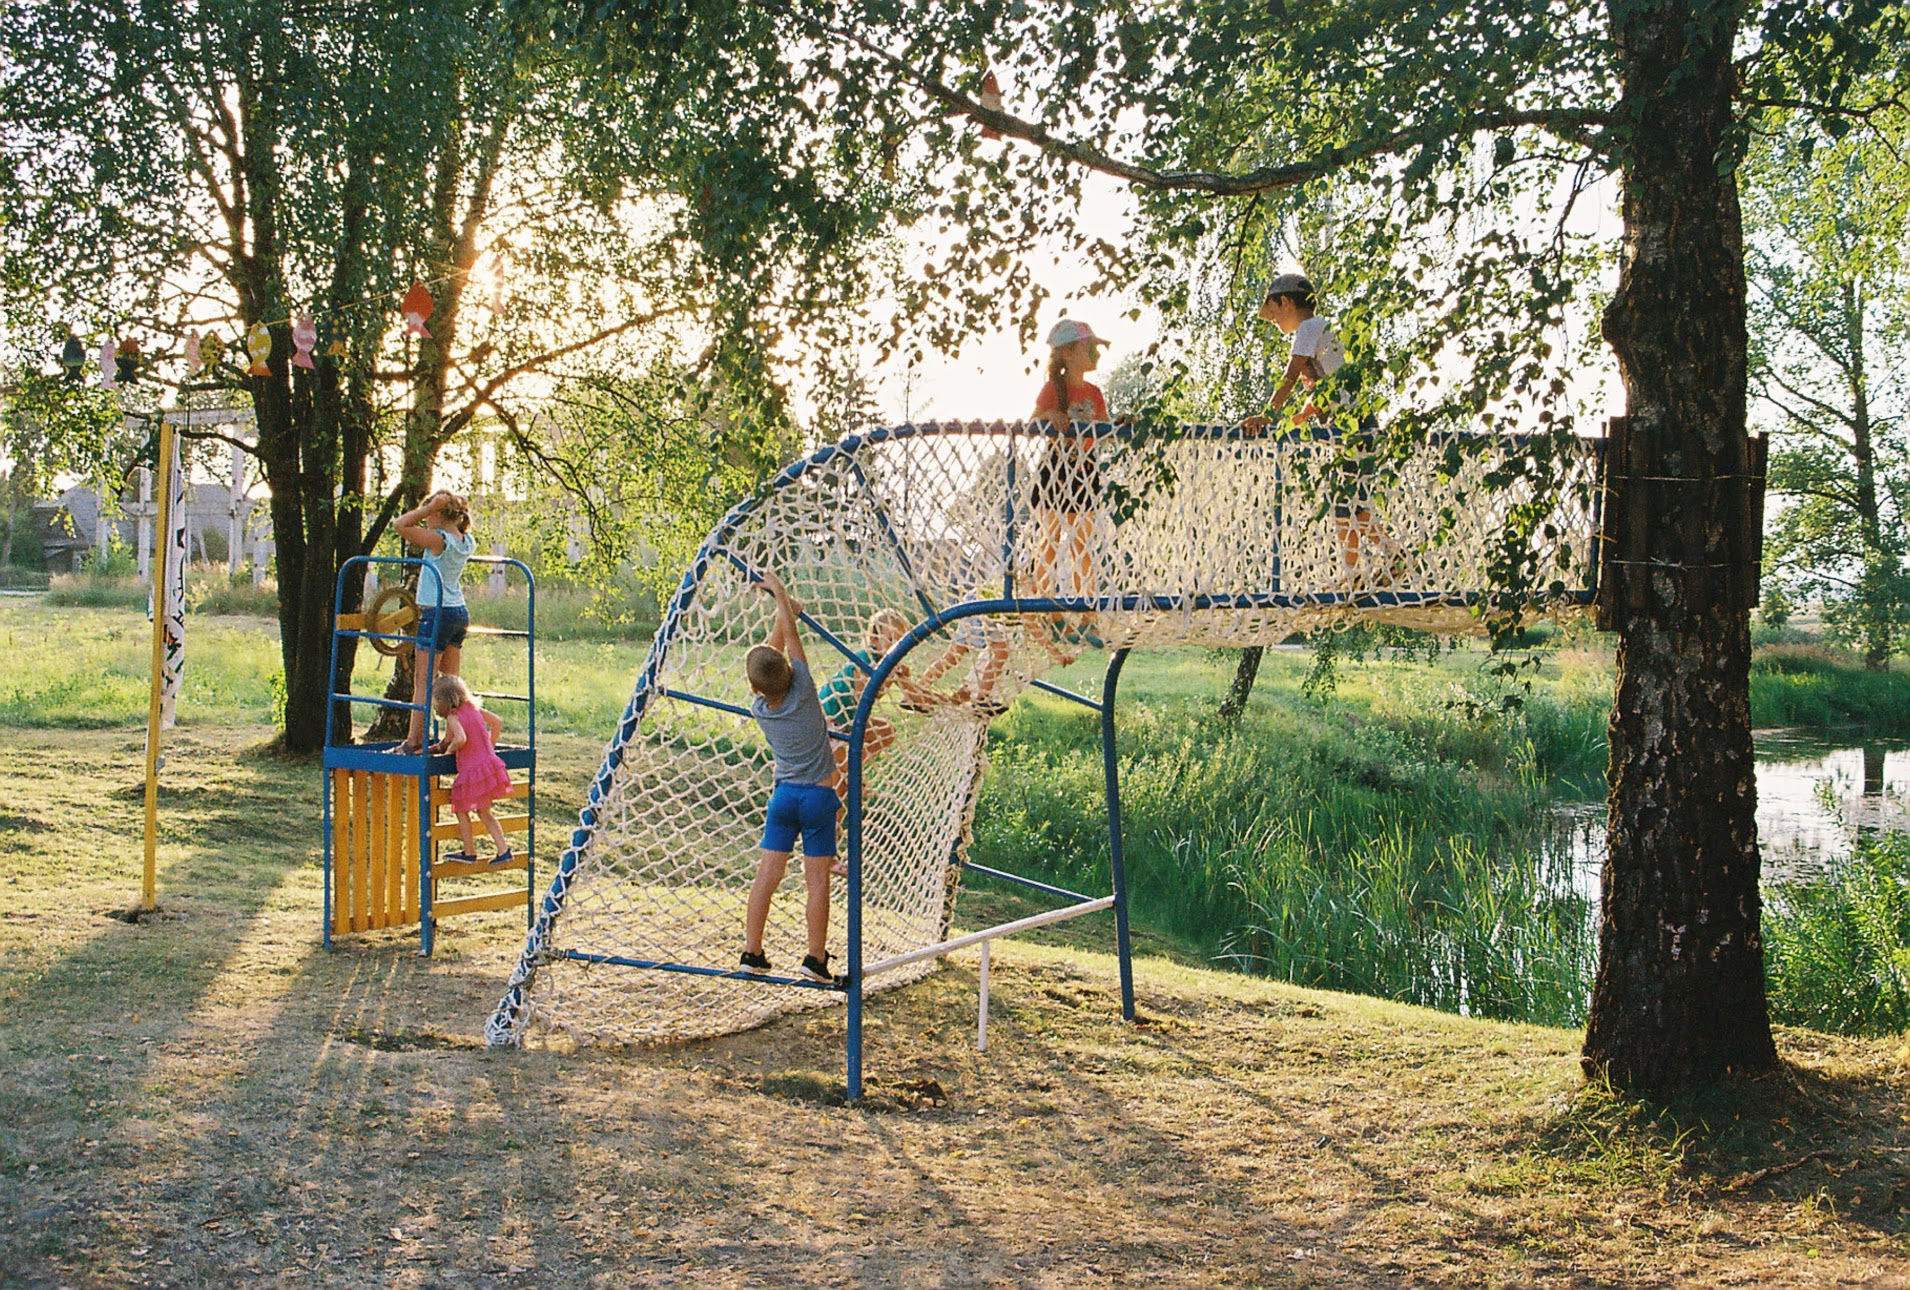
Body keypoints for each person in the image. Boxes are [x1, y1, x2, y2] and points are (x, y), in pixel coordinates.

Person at [1243, 273, 1396, 585]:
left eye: (1273, 312)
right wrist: (1303, 413)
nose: (1273, 320)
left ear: (1285, 302)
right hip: (1350, 427)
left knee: (1350, 506)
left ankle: (1393, 556)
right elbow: (1328, 385)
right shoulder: (1320, 332)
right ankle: (1354, 575)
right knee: (1347, 505)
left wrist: (1267, 415)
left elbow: (1292, 373)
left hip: (1354, 428)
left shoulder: (1310, 327)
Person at [739, 570, 844, 985]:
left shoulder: (760, 709)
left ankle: (752, 951)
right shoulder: (804, 691)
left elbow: (769, 666)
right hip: (818, 799)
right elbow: (785, 655)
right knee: (817, 882)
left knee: (767, 876)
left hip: (783, 800)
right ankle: (815, 959)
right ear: (790, 672)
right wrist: (781, 595)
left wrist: (785, 618)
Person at [1031, 319, 1109, 604]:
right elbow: (1032, 423)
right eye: (1090, 347)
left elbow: (1106, 431)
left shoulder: (1094, 393)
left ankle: (1086, 608)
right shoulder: (1053, 389)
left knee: (1082, 545)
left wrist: (1121, 424)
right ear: (1069, 353)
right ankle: (1043, 608)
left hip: (1084, 471)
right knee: (1049, 543)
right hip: (1055, 470)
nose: (1097, 354)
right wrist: (1050, 415)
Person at [394, 490, 478, 754]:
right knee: (452, 683)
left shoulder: (438, 540)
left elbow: (399, 525)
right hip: (458, 612)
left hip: (437, 613)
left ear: (439, 514)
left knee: (424, 681)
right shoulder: (466, 540)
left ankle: (413, 741)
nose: (425, 517)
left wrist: (424, 510)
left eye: (430, 511)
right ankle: (449, 738)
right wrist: (434, 507)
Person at [430, 675, 514, 865]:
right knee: (484, 812)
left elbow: (460, 739)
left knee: (460, 808)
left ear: (444, 701)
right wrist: (489, 747)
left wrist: (448, 754)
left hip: (472, 770)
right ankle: (504, 850)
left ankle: (469, 852)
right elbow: (497, 722)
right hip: (488, 765)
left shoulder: (453, 716)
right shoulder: (473, 708)